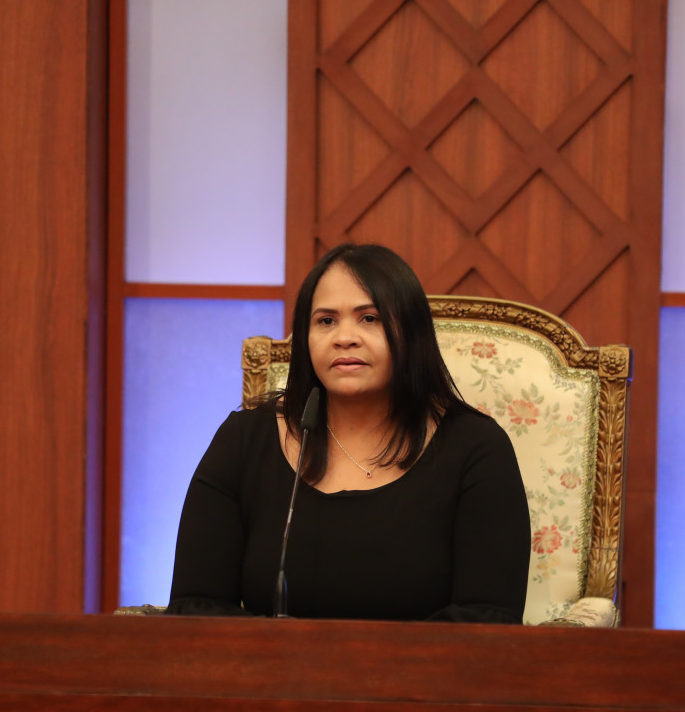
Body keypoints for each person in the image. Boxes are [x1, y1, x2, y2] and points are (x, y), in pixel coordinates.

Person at [166, 243, 530, 623]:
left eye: (369, 318)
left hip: (426, 665)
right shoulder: (245, 440)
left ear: (411, 332)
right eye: (326, 321)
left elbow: (488, 618)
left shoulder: (476, 449)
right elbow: (195, 606)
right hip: (269, 663)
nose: (344, 337)